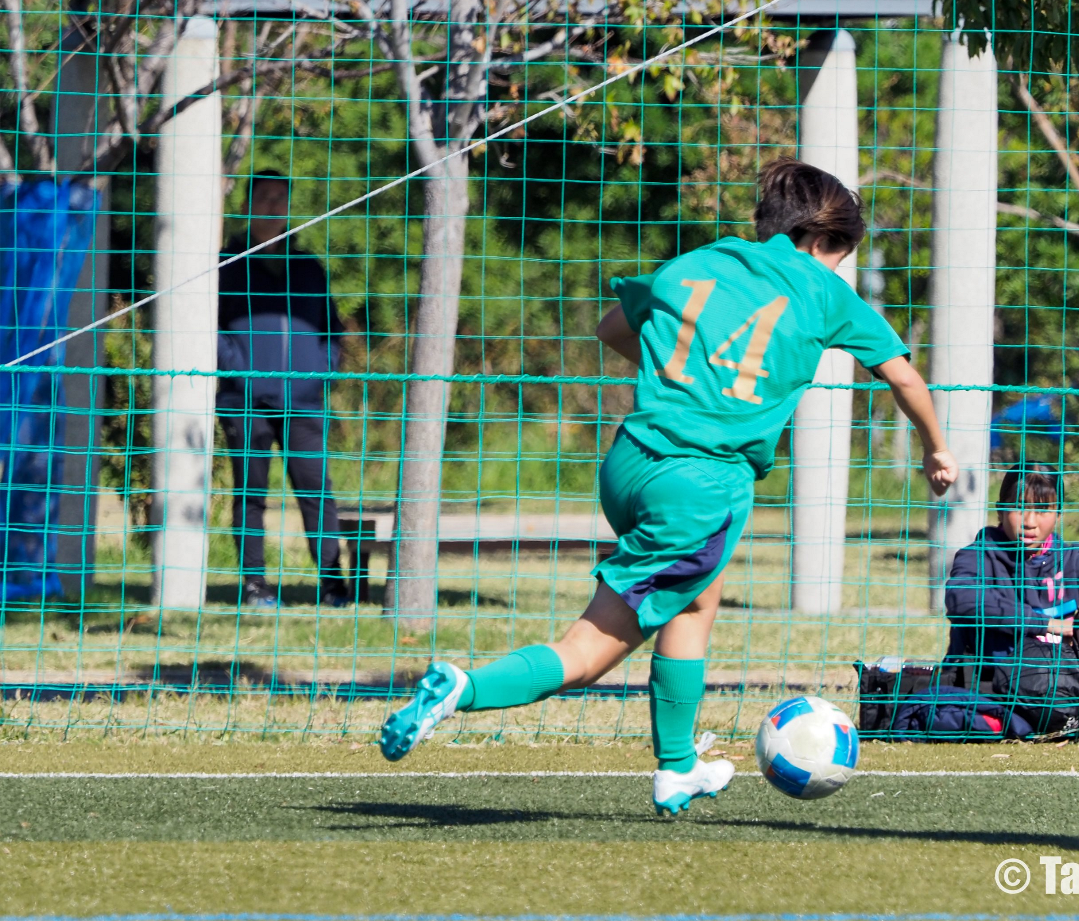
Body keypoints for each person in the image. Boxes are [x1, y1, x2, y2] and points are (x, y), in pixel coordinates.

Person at [377, 157, 959, 813]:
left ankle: (678, 766)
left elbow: (613, 327)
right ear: (822, 242)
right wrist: (936, 450)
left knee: (694, 601)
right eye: (838, 256)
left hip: (630, 463)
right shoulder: (823, 292)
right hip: (702, 483)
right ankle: (461, 686)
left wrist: (683, 376)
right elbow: (904, 377)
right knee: (591, 650)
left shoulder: (700, 263)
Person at [217, 170, 347, 608]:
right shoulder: (225, 264)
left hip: (304, 401)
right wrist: (237, 370)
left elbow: (331, 328)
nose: (273, 205)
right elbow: (208, 326)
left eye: (280, 198)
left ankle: (333, 587)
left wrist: (322, 372)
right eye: (264, 197)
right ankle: (255, 586)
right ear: (248, 205)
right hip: (245, 400)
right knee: (251, 494)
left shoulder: (308, 267)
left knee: (316, 493)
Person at [944, 464, 1079, 729]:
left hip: (1063, 690)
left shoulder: (1072, 559)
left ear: (1059, 514)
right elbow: (961, 599)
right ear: (1000, 509)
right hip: (993, 689)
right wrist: (1047, 624)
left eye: (1042, 510)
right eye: (1020, 507)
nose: (1030, 521)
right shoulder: (978, 556)